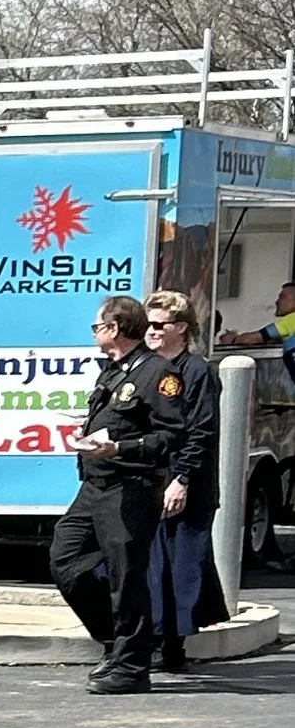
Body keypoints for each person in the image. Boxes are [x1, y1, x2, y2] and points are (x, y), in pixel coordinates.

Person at [49, 295, 176, 695]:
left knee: (127, 577)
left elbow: (170, 435)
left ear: (115, 329)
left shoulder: (158, 373)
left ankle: (132, 667)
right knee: (64, 559)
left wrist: (120, 448)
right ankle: (117, 643)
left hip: (130, 488)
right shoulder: (113, 372)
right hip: (95, 485)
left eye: (97, 326)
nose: (95, 333)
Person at [144, 295, 223, 674]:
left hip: (185, 484)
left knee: (181, 566)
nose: (152, 331)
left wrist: (182, 478)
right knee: (153, 565)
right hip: (151, 482)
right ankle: (155, 636)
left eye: (160, 324)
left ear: (181, 328)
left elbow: (201, 430)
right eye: (149, 324)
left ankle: (173, 645)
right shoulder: (148, 368)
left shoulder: (196, 371)